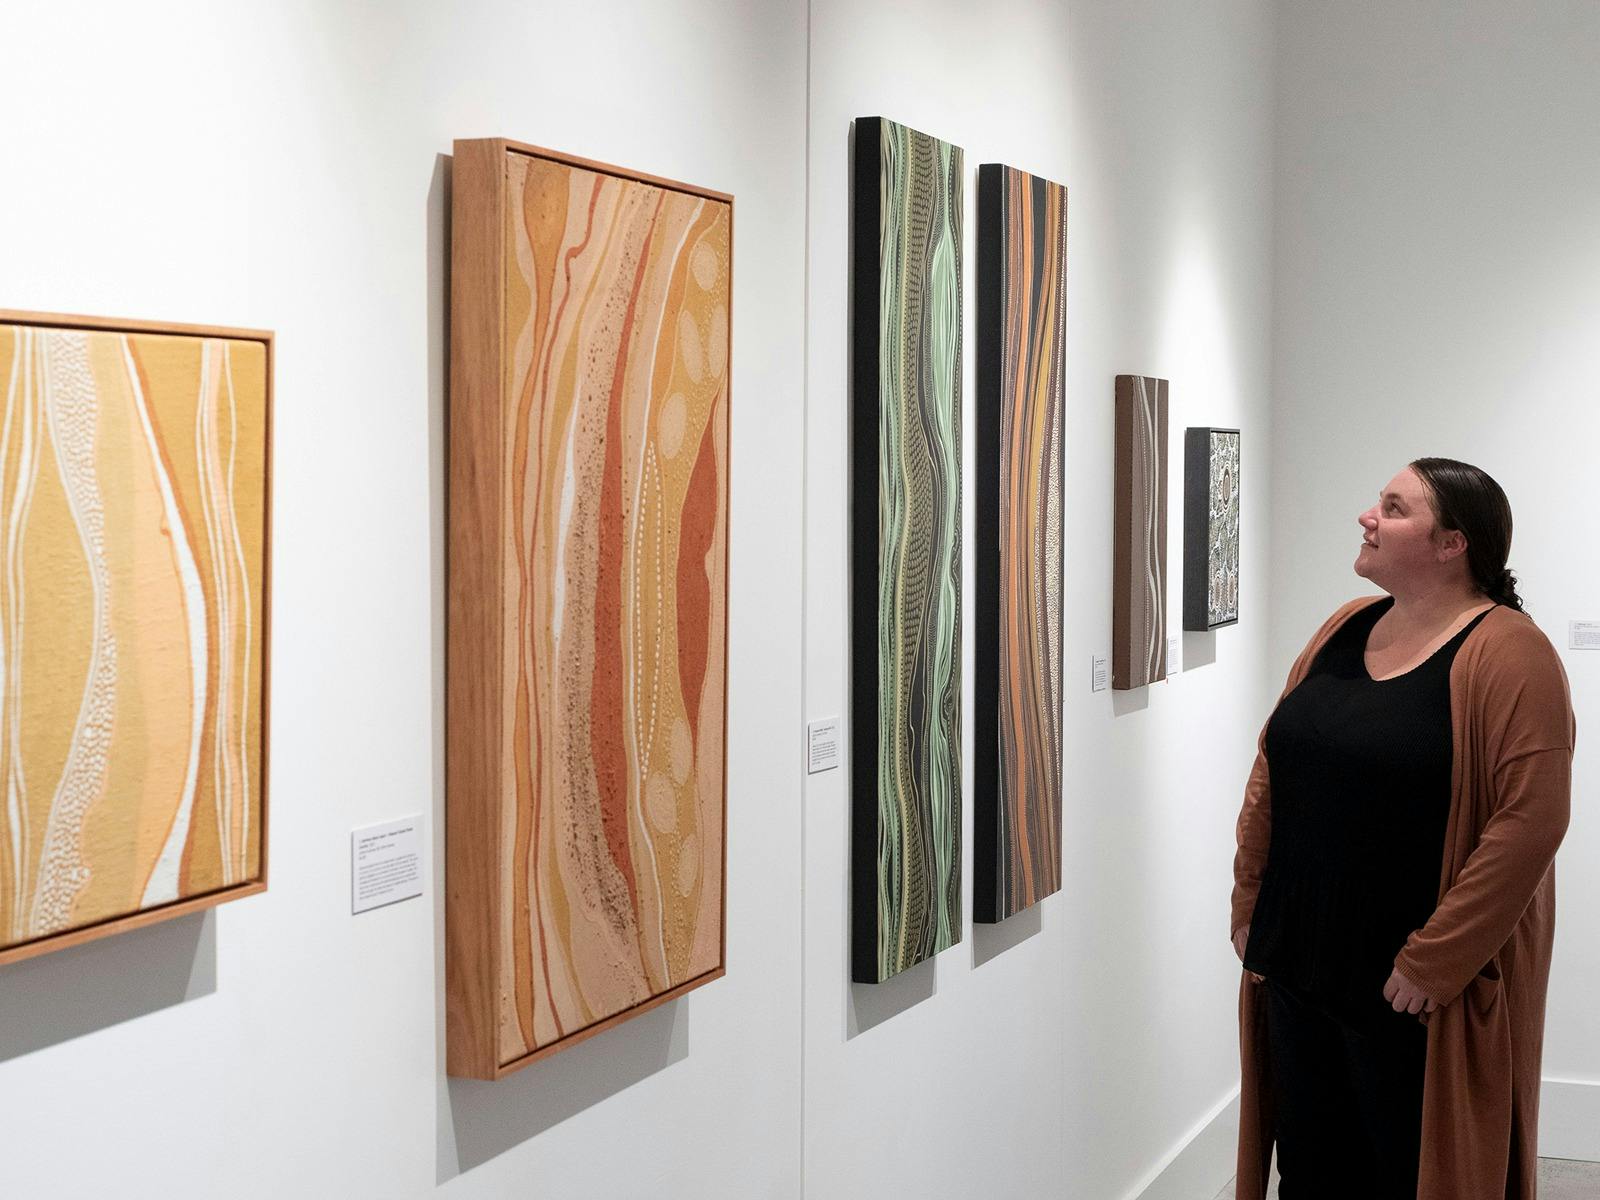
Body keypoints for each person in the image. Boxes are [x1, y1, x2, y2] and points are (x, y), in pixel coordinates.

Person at [1229, 459, 1576, 1200]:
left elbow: (1532, 821)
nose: (1368, 517)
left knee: (1408, 1173)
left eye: (1393, 507)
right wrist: (1249, 907)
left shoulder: (1511, 652)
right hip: (1298, 962)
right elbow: (1274, 769)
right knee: (1313, 1174)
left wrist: (1435, 961)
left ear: (1453, 543)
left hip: (1407, 992)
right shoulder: (1345, 627)